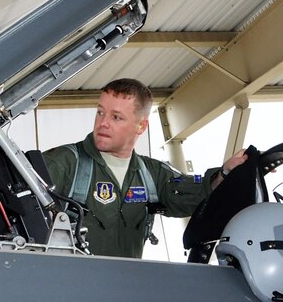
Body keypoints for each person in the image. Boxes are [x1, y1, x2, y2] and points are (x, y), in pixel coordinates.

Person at [43, 78, 246, 259]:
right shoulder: (63, 163)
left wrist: (227, 173)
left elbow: (196, 193)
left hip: (126, 290)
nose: (103, 123)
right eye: (100, 112)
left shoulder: (152, 173)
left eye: (116, 117)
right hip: (71, 291)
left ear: (141, 126)